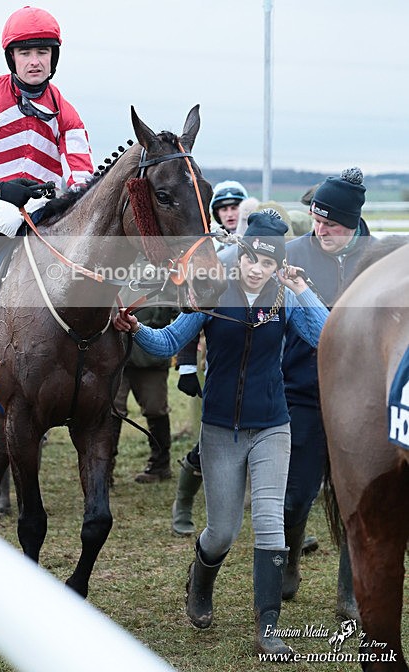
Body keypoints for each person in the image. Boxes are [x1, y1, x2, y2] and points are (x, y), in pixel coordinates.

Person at [114, 210, 328, 658]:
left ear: (277, 266)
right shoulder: (213, 293)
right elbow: (169, 342)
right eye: (252, 259)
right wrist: (136, 329)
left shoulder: (284, 300)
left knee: (269, 522)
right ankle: (200, 582)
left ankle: (268, 626)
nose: (257, 269)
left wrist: (301, 289)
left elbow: (325, 335)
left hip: (273, 425)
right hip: (220, 429)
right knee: (222, 532)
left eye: (268, 263)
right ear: (240, 255)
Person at [0, 5, 94, 297]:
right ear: (12, 57)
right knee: (5, 217)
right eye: (25, 53)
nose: (34, 61)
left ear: (53, 57)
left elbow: (82, 180)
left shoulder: (67, 113)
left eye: (42, 52)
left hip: (42, 209)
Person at [282, 167, 374, 618]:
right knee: (296, 496)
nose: (320, 231)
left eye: (330, 224)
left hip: (359, 399)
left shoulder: (376, 263)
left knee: (354, 496)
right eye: (316, 220)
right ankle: (289, 561)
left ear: (352, 223)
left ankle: (350, 591)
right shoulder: (294, 253)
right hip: (302, 391)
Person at [172, 179, 249, 535]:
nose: (231, 214)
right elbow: (191, 309)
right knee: (214, 440)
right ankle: (184, 500)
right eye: (224, 208)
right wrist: (187, 365)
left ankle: (285, 515)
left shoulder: (261, 248)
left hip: (264, 359)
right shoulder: (207, 251)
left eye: (236, 208)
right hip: (221, 357)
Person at [112, 305, 178, 483]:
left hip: (151, 357)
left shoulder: (168, 286)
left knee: (155, 409)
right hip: (115, 355)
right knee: (111, 411)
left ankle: (160, 465)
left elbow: (184, 313)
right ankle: (103, 467)